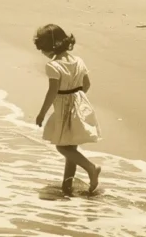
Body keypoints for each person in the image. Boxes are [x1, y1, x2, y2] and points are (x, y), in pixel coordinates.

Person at [33, 24, 102, 195]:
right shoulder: (79, 61)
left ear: (51, 47)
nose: (41, 52)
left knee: (62, 147)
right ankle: (67, 187)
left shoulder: (53, 66)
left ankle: (91, 168)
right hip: (79, 105)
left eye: (42, 49)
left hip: (64, 108)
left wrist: (42, 113)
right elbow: (86, 84)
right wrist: (76, 99)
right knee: (71, 149)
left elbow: (53, 91)